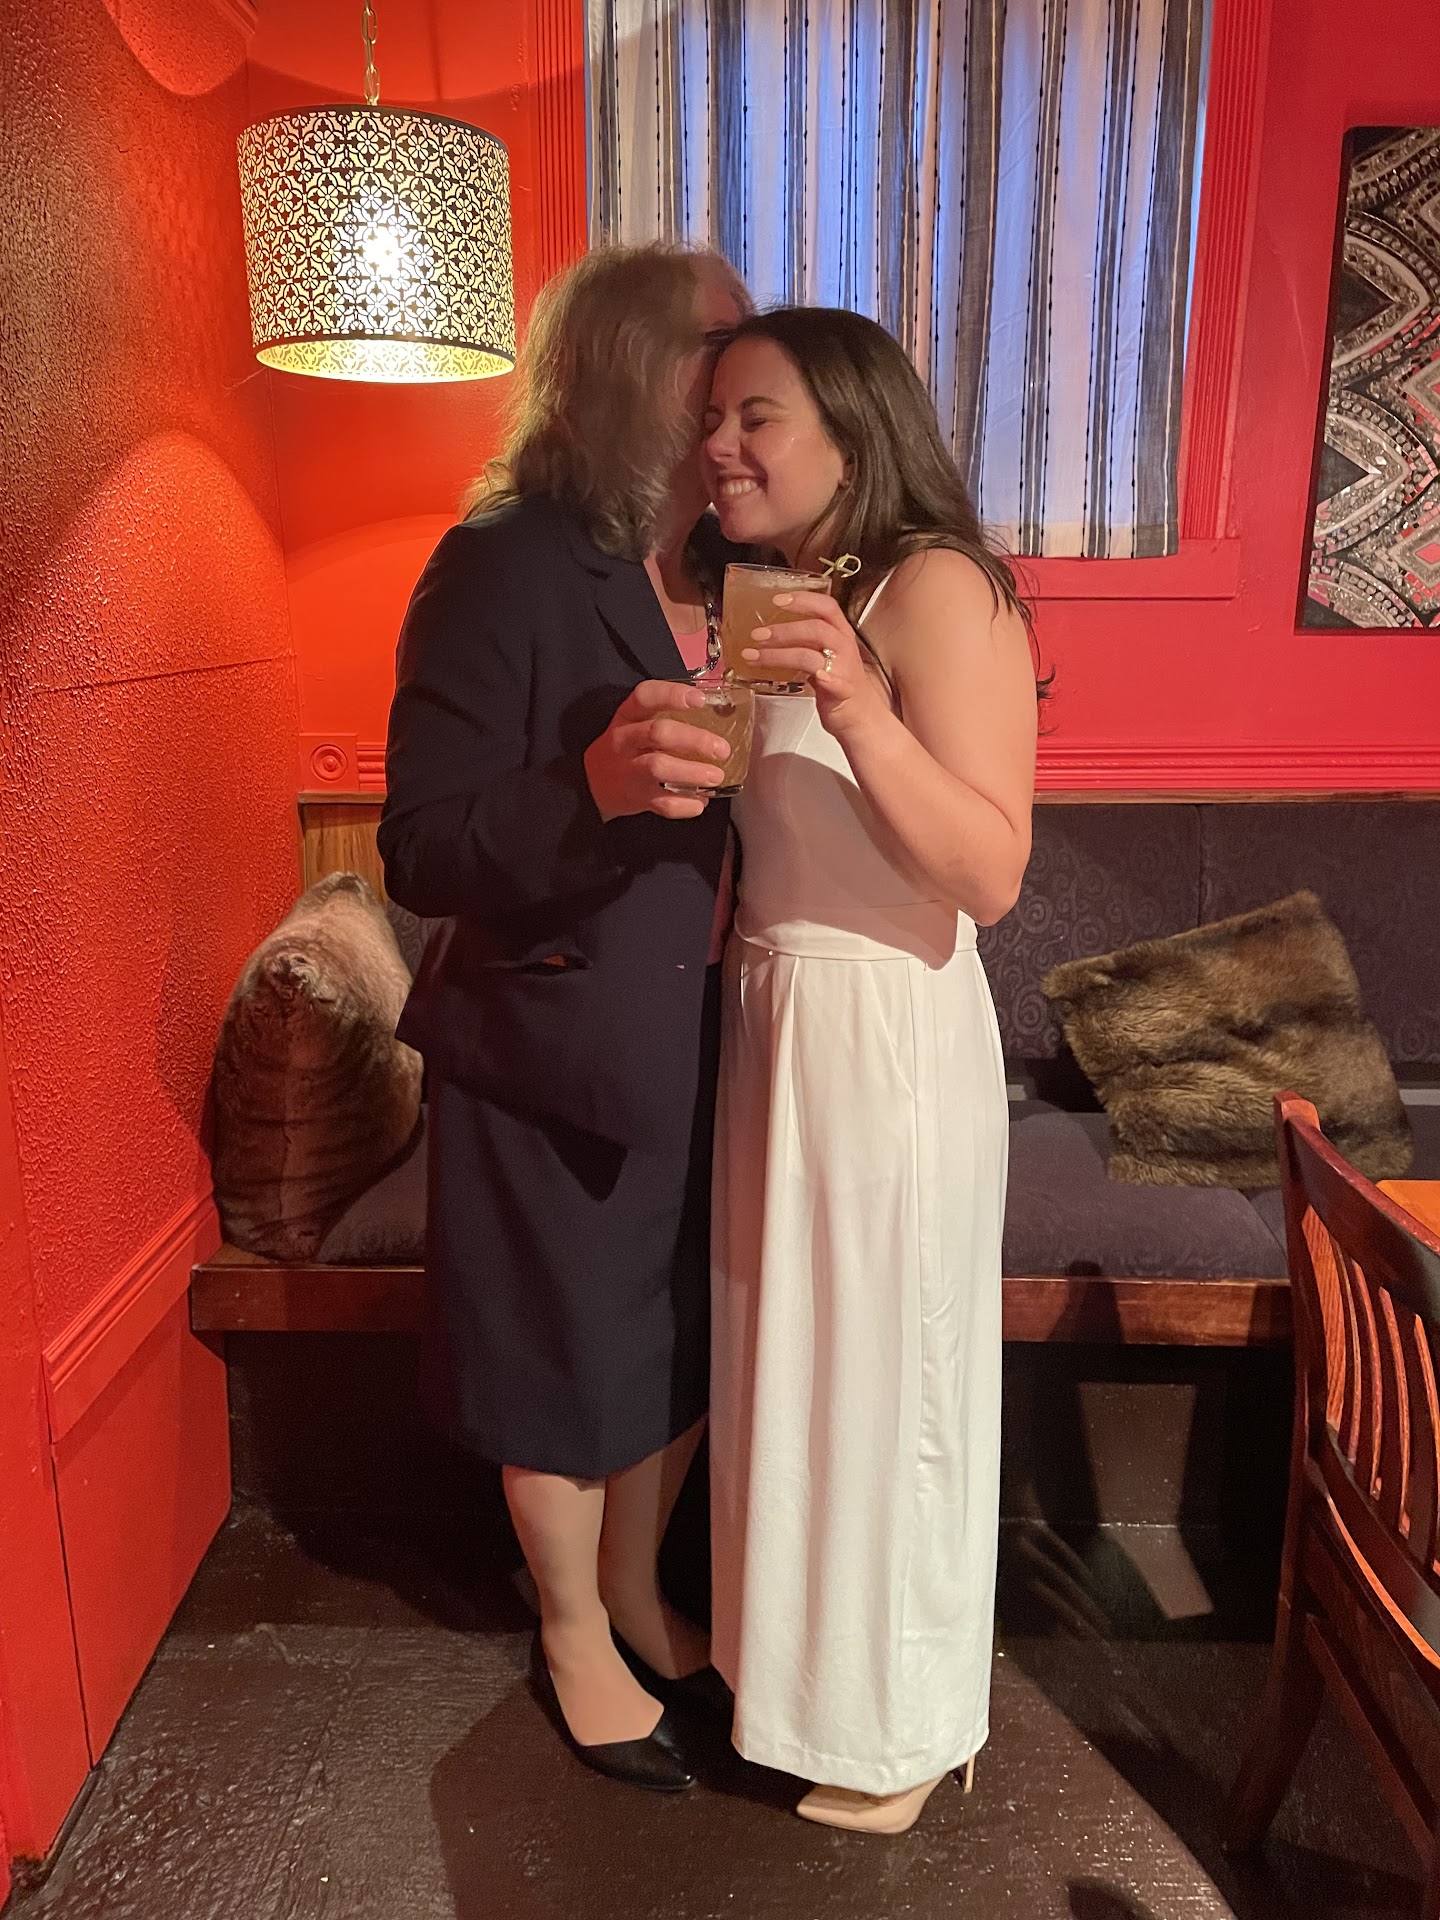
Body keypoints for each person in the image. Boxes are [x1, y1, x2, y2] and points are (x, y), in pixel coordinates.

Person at [378, 244, 749, 1793]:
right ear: (622, 368)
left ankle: (634, 1593)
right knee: (561, 1354)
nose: (742, 376)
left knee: (672, 1339)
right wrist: (589, 786)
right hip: (547, 1042)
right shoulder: (502, 564)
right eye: (715, 347)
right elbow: (420, 848)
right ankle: (572, 1633)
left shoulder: (736, 573)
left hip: (707, 1033)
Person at [702, 307, 1038, 1833]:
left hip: (883, 1036)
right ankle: (801, 1684)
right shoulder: (785, 593)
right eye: (712, 421)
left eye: (754, 417)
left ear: (854, 428)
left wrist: (853, 703)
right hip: (779, 1023)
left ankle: (902, 1729)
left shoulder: (939, 588)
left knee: (887, 1380)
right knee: (795, 1374)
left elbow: (990, 871)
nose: (719, 447)